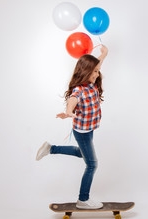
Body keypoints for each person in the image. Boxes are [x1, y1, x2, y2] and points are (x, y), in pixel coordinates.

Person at [36, 45, 108, 209]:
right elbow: (73, 100)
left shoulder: (91, 82)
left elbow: (98, 65)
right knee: (92, 164)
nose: (97, 75)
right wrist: (68, 112)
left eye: (98, 71)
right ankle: (83, 200)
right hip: (82, 132)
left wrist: (104, 54)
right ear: (85, 71)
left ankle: (50, 148)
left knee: (81, 153)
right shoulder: (79, 89)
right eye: (94, 72)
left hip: (88, 130)